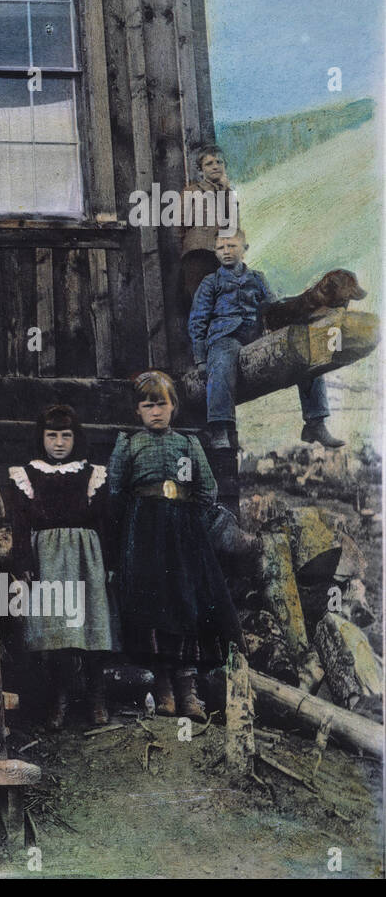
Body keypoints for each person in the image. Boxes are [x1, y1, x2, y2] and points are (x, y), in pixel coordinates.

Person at [106, 371, 243, 722]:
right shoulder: (130, 444)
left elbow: (207, 489)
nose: (155, 411)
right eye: (147, 405)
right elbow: (116, 491)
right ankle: (163, 688)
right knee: (154, 605)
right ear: (138, 411)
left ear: (174, 408)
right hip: (144, 534)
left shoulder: (187, 444)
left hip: (182, 535)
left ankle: (189, 691)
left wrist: (187, 522)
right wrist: (130, 528)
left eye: (161, 404)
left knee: (185, 603)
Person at [6, 404, 120, 730]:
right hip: (48, 558)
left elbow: (104, 522)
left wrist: (110, 564)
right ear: (41, 437)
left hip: (86, 555)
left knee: (90, 626)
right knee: (56, 632)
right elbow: (19, 526)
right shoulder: (26, 474)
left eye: (65, 436)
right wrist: (23, 565)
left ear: (75, 438)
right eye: (52, 435)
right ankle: (60, 698)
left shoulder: (91, 474)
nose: (59, 442)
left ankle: (96, 696)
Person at [188, 230, 340, 450]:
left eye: (232, 246)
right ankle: (220, 428)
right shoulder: (210, 283)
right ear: (215, 252)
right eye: (221, 248)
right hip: (225, 337)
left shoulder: (257, 278)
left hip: (255, 335)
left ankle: (315, 422)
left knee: (307, 356)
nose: (226, 252)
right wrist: (201, 358)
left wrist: (274, 325)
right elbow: (198, 321)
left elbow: (272, 308)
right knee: (221, 365)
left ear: (245, 249)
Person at [178, 144, 236, 307]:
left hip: (222, 256)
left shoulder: (228, 194)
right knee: (202, 303)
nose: (215, 166)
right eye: (209, 163)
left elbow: (233, 225)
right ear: (200, 170)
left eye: (219, 162)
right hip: (198, 256)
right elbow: (180, 225)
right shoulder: (191, 192)